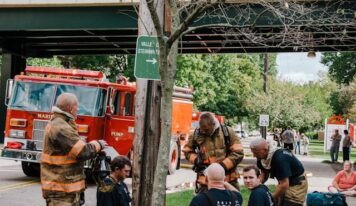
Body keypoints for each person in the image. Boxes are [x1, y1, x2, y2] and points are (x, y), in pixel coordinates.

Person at [41, 93, 107, 206]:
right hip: (61, 193)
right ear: (70, 108)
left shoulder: (62, 123)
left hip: (64, 191)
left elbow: (75, 148)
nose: (78, 109)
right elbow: (82, 152)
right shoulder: (61, 127)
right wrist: (98, 145)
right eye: (77, 106)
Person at [183, 112, 244, 193]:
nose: (203, 131)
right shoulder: (196, 134)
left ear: (213, 124)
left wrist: (222, 166)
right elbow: (187, 151)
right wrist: (196, 160)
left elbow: (238, 153)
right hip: (206, 182)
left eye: (206, 130)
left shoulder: (227, 132)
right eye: (201, 129)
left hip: (228, 180)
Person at [250, 138, 308, 206]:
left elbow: (284, 184)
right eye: (253, 152)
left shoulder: (280, 158)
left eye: (256, 153)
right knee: (277, 202)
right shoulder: (261, 157)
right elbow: (264, 173)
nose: (254, 155)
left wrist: (271, 198)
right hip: (284, 181)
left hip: (297, 183)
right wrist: (256, 186)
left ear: (265, 149)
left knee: (289, 203)